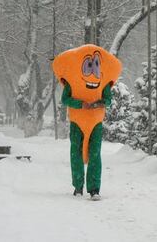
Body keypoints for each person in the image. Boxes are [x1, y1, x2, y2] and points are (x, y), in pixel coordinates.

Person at [52, 44, 122, 200]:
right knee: (75, 153)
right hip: (77, 121)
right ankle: (78, 187)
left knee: (95, 154)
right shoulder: (72, 80)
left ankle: (94, 189)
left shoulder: (103, 80)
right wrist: (80, 104)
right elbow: (65, 99)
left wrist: (98, 103)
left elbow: (108, 99)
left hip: (95, 122)